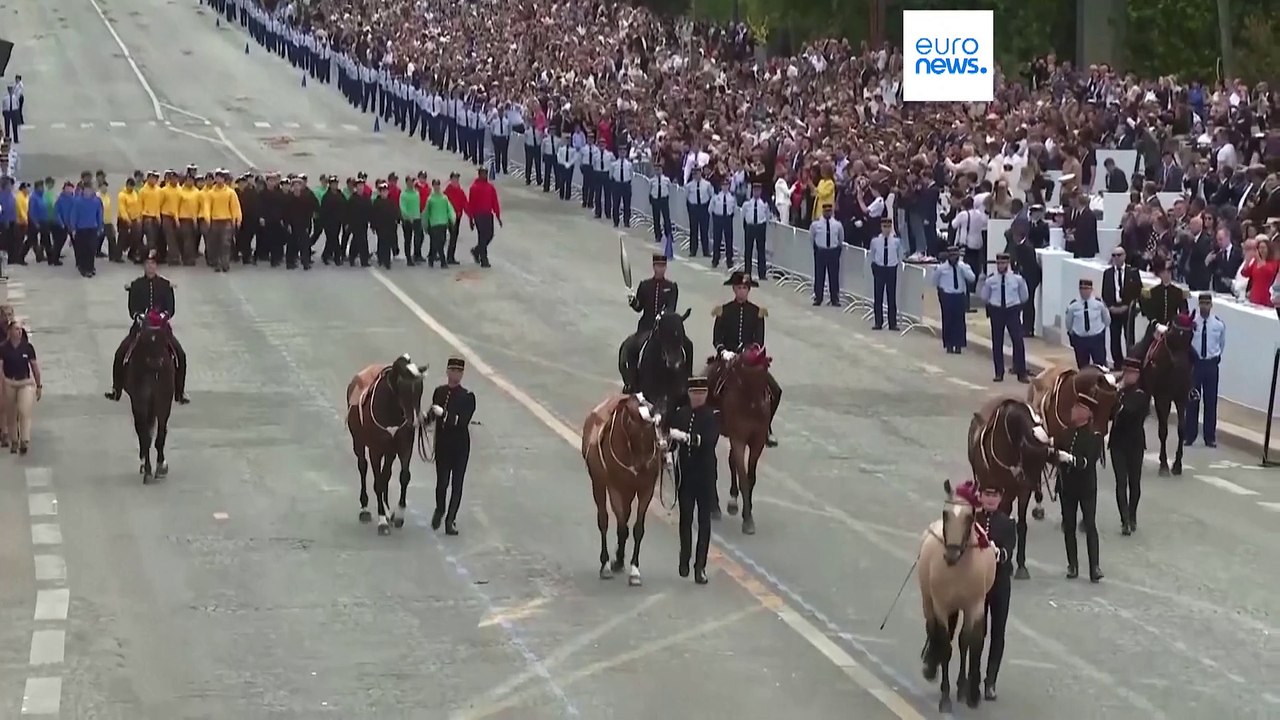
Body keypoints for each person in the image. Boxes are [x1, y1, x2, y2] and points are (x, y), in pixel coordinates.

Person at [106, 251, 189, 404]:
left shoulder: (165, 285)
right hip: (141, 328)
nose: (150, 267)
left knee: (180, 355)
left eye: (153, 264)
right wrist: (138, 316)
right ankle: (116, 389)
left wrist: (164, 315)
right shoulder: (137, 285)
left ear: (156, 266)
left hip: (161, 329)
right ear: (144, 266)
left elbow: (170, 308)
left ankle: (179, 392)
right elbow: (132, 308)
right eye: (147, 264)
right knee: (120, 354)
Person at [712, 271, 781, 447]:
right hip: (728, 358)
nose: (742, 291)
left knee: (775, 390)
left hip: (750, 360)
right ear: (734, 289)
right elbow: (717, 338)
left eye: (745, 288)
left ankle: (767, 427)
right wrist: (723, 352)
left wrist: (749, 352)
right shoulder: (724, 310)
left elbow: (759, 340)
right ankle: (710, 420)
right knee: (710, 383)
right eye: (739, 288)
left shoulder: (757, 313)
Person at [664, 376, 719, 584]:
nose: (698, 397)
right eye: (694, 394)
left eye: (701, 394)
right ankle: (684, 557)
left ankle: (700, 567)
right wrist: (667, 452)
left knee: (704, 522)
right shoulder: (681, 414)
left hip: (704, 476)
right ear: (689, 394)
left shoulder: (711, 416)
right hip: (685, 475)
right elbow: (671, 441)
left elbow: (708, 442)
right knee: (685, 519)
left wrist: (686, 437)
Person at [975, 484, 1015, 701]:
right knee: (976, 632)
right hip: (978, 584)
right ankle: (973, 675)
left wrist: (996, 551)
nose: (990, 499)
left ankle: (990, 681)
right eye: (987, 495)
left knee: (997, 633)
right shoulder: (972, 521)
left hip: (999, 584)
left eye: (995, 495)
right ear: (980, 497)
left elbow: (1009, 552)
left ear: (1000, 498)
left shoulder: (1008, 523)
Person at [430, 356, 477, 535]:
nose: (455, 374)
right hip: (442, 445)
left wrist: (445, 414)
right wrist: (422, 420)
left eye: (459, 371)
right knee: (441, 483)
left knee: (457, 484)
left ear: (462, 374)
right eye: (453, 370)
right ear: (447, 372)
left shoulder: (468, 397)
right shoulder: (439, 392)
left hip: (459, 447)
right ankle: (440, 509)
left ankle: (451, 520)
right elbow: (432, 414)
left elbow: (462, 421)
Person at [1060, 395, 1104, 582]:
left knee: (1090, 524)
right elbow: (1056, 453)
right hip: (1067, 486)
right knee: (1069, 526)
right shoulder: (1066, 432)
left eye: (1077, 408)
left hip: (1086, 487)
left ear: (1086, 413)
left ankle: (1094, 566)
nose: (1073, 411)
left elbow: (1087, 462)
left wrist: (1068, 458)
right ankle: (1073, 564)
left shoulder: (1094, 436)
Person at [1110, 357, 1149, 535]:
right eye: (1126, 372)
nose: (1128, 376)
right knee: (1120, 482)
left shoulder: (1140, 394)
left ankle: (1132, 515)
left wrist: (1117, 393)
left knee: (1135, 483)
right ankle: (1124, 520)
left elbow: (1127, 412)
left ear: (1138, 375)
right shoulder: (1117, 391)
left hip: (1135, 443)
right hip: (1117, 442)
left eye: (1132, 373)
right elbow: (1108, 413)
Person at [978, 253, 1030, 383]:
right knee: (997, 342)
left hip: (1012, 310)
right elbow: (984, 296)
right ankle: (999, 372)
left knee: (1018, 341)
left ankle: (1021, 372)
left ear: (1008, 263)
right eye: (999, 263)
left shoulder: (1017, 279)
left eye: (1003, 263)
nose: (1001, 266)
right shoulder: (991, 280)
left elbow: (1024, 296)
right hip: (997, 311)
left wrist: (1016, 305)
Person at [1186, 292, 1226, 447]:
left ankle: (1209, 437)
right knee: (1192, 400)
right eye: (1202, 304)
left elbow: (1221, 344)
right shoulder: (1192, 322)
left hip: (1210, 365)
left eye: (1207, 304)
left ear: (1211, 305)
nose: (1204, 307)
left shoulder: (1218, 324)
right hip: (1195, 365)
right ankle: (1190, 435)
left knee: (1210, 402)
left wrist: (1213, 357)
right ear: (1199, 304)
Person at [1, 319, 41, 456]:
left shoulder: (27, 348)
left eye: (20, 329)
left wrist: (38, 384)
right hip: (10, 382)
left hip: (25, 382)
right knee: (11, 414)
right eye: (16, 329)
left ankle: (24, 439)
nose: (19, 331)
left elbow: (34, 367)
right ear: (10, 331)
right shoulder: (3, 348)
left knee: (24, 411)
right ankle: (14, 440)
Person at [1101, 247, 1142, 369]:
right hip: (1114, 309)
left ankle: (1131, 362)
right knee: (1114, 338)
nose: (1116, 258)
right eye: (1114, 255)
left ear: (1124, 256)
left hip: (1127, 310)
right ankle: (1118, 363)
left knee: (1129, 338)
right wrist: (1110, 307)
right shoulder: (1107, 273)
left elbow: (1137, 290)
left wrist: (1127, 305)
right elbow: (1105, 292)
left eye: (1119, 255)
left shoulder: (1133, 272)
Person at [931, 247, 975, 353]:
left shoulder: (963, 267)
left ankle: (959, 345)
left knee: (959, 321)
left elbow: (972, 278)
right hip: (947, 295)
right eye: (952, 256)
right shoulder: (941, 268)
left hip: (959, 295)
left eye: (956, 256)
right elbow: (934, 280)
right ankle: (949, 344)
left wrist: (962, 268)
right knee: (948, 320)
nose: (954, 258)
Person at [627, 254, 679, 333]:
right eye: (658, 266)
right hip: (646, 326)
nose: (661, 269)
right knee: (632, 344)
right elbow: (639, 307)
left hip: (664, 327)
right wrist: (633, 302)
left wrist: (662, 314)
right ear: (654, 267)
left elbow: (671, 308)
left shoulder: (671, 287)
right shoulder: (645, 285)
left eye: (663, 266)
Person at [868, 216, 904, 329]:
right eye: (884, 227)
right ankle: (878, 322)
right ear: (881, 227)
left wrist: (897, 264)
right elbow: (872, 255)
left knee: (891, 296)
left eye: (888, 227)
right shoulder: (875, 241)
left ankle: (892, 323)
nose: (886, 229)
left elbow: (900, 255)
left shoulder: (896, 241)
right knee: (878, 296)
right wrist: (874, 267)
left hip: (891, 268)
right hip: (880, 268)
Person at [1066, 279, 1109, 368]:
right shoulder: (1073, 306)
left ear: (1091, 290)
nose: (1084, 291)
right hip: (1081, 339)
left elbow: (1107, 320)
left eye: (1086, 289)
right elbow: (1069, 323)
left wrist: (1101, 331)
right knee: (1082, 366)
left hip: (1096, 338)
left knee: (1100, 366)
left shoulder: (1099, 303)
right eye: (1082, 289)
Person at [809, 203, 844, 306]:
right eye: (826, 211)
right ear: (822, 211)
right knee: (819, 275)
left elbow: (841, 238)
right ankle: (818, 297)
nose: (827, 213)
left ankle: (835, 298)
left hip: (833, 251)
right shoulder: (816, 224)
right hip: (821, 251)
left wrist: (837, 249)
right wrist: (816, 248)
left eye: (829, 211)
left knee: (834, 276)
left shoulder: (837, 225)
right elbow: (811, 237)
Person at [467, 167, 501, 268]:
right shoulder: (474, 187)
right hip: (478, 215)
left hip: (488, 214)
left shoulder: (490, 187)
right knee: (482, 236)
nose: (484, 175)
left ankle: (476, 250)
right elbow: (471, 204)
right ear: (479, 174)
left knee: (489, 235)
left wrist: (498, 216)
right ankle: (484, 260)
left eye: (485, 174)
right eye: (482, 173)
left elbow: (494, 201)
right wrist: (471, 219)